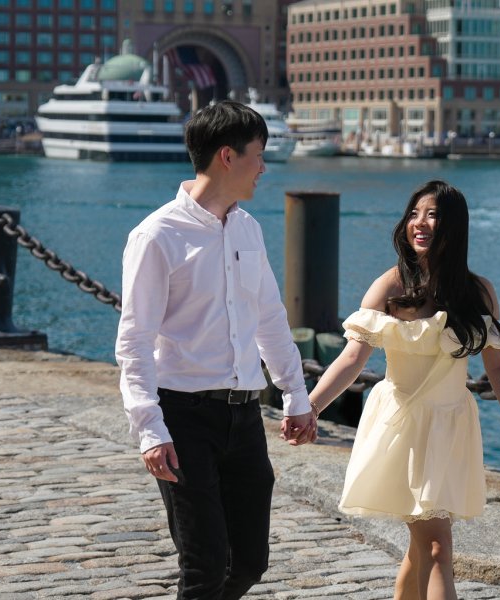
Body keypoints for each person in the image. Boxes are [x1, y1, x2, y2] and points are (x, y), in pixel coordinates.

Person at [286, 180, 500, 600]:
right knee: (437, 546)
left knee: (421, 549)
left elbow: (498, 364)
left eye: (433, 215)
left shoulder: (478, 293)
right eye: (415, 214)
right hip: (402, 427)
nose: (419, 223)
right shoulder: (389, 287)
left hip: (451, 426)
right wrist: (309, 407)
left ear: (454, 227)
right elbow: (351, 360)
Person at [116, 100, 316, 600]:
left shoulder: (248, 228)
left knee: (249, 562)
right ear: (227, 156)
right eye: (259, 154)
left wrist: (296, 395)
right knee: (203, 569)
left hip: (244, 418)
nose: (264, 167)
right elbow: (134, 340)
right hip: (183, 418)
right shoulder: (156, 236)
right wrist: (149, 429)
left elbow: (269, 317)